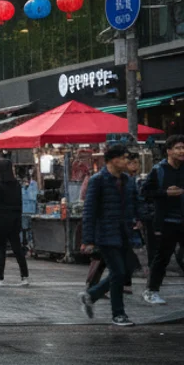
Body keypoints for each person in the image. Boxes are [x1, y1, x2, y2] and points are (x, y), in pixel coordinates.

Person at [78, 144, 139, 327]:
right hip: (106, 234)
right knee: (118, 272)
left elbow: (135, 203)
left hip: (125, 233)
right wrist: (87, 240)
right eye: (124, 158)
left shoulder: (128, 181)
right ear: (114, 159)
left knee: (126, 270)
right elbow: (89, 211)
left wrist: (140, 219)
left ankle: (91, 295)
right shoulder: (98, 180)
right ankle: (118, 314)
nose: (127, 161)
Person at [141, 134, 184, 306]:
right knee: (162, 257)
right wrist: (165, 193)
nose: (182, 151)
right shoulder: (159, 170)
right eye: (178, 148)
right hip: (166, 221)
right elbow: (145, 192)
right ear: (169, 151)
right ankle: (151, 290)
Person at [0, 158, 30, 287]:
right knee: (17, 249)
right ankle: (25, 276)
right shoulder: (16, 185)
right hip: (14, 221)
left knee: (1, 249)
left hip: (0, 221)